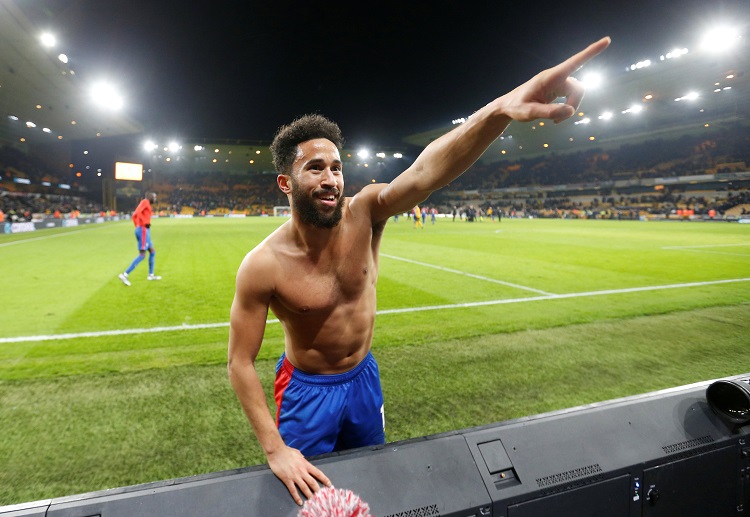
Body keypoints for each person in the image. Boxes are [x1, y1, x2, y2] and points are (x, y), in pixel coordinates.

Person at [227, 36, 610, 506]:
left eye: (336, 167)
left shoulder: (367, 211)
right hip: (307, 393)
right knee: (313, 504)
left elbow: (427, 171)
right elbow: (239, 362)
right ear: (286, 182)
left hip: (364, 379)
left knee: (373, 487)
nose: (330, 179)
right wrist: (275, 448)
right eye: (315, 169)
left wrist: (500, 111)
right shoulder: (262, 265)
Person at [118, 191, 162, 286]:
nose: (155, 199)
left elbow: (134, 216)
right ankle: (125, 274)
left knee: (152, 251)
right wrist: (143, 223)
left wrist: (137, 225)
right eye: (154, 197)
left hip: (143, 230)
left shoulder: (146, 204)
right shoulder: (145, 201)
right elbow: (137, 213)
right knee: (142, 255)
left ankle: (151, 275)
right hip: (143, 230)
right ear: (149, 197)